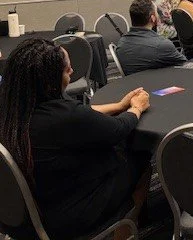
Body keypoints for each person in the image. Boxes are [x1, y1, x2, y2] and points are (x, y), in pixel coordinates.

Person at [0, 38, 151, 239]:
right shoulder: (65, 117)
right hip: (63, 217)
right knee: (139, 158)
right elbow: (119, 129)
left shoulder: (15, 106)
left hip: (21, 211)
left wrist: (119, 106)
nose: (72, 72)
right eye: (67, 70)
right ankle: (125, 229)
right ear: (49, 79)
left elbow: (83, 113)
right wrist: (136, 108)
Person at [116, 0, 186, 75]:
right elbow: (185, 66)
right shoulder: (161, 45)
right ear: (153, 18)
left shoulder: (122, 43)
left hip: (134, 86)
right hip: (162, 84)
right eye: (157, 12)